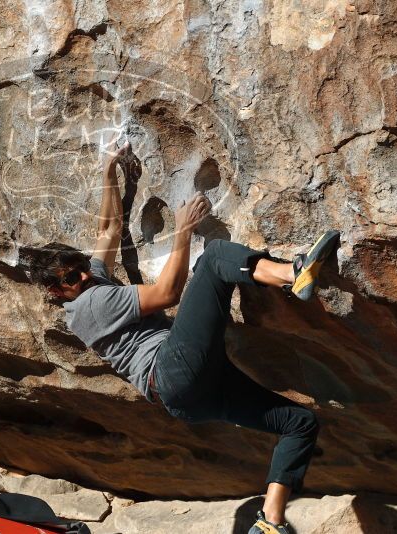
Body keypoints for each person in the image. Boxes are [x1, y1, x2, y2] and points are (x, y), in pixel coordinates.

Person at [32, 141, 340, 534]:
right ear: (57, 293)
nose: (85, 274)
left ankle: (270, 523)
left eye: (80, 267)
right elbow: (166, 295)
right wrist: (183, 233)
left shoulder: (88, 284)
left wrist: (109, 172)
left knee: (299, 423)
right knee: (212, 259)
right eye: (73, 277)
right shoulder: (91, 306)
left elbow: (108, 228)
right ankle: (292, 275)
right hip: (172, 369)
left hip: (188, 398)